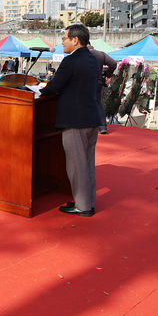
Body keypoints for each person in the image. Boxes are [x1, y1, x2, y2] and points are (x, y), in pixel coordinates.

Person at [40, 24, 101, 217]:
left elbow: (54, 86)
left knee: (76, 165)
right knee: (88, 163)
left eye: (64, 38)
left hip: (75, 121)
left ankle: (82, 206)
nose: (62, 42)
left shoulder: (71, 61)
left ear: (75, 40)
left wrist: (41, 90)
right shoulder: (93, 59)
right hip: (91, 118)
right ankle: (88, 202)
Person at [87, 43, 117, 134]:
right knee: (97, 104)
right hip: (97, 81)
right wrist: (108, 75)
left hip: (83, 82)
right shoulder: (100, 54)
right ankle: (102, 126)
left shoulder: (80, 54)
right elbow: (113, 63)